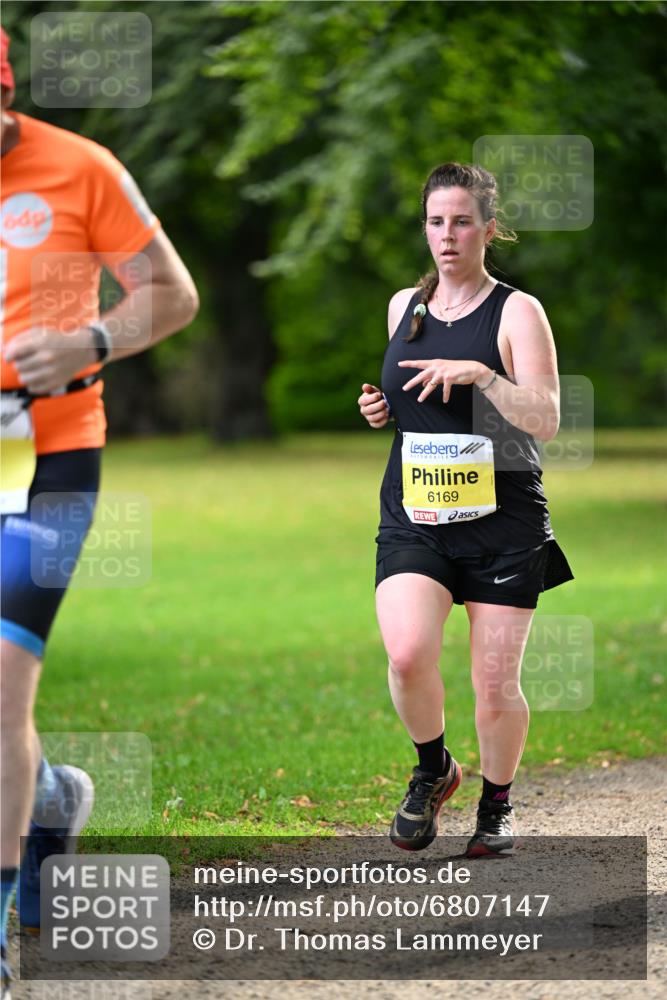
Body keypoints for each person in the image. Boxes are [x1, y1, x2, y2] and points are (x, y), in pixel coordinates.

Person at [0, 28, 199, 997]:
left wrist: (88, 335)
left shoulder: (81, 170)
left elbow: (171, 292)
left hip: (51, 457)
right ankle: (49, 796)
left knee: (2, 685)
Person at [358, 161, 573, 858]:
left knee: (492, 682)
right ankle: (432, 768)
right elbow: (412, 400)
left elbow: (544, 418)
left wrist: (482, 375)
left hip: (503, 521)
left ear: (486, 228)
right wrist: (381, 409)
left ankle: (497, 804)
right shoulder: (403, 306)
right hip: (415, 513)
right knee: (407, 651)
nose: (446, 236)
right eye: (433, 222)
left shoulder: (516, 312)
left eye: (459, 222)